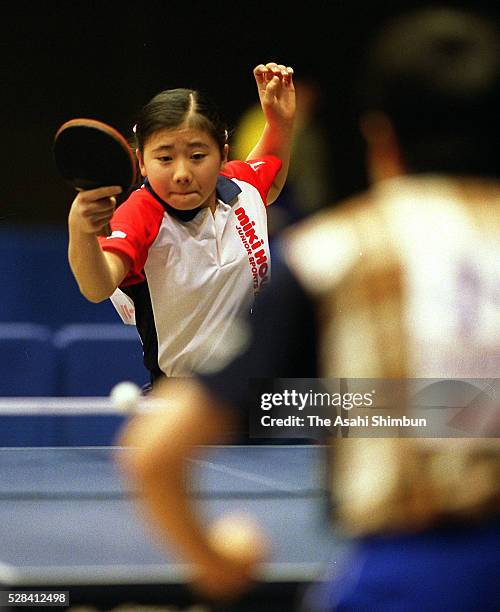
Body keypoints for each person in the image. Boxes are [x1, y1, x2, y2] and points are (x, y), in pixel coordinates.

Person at [117, 6, 500, 609]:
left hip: (414, 577)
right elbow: (455, 404)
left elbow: (155, 451)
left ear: (381, 137)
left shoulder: (336, 256)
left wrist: (217, 563)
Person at [67, 62, 295, 384]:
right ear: (142, 162)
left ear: (223, 156)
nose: (182, 173)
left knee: (347, 408)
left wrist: (279, 121)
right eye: (165, 158)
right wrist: (81, 231)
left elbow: (268, 177)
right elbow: (97, 284)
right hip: (183, 400)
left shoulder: (241, 187)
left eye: (198, 156)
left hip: (259, 391)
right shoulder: (141, 214)